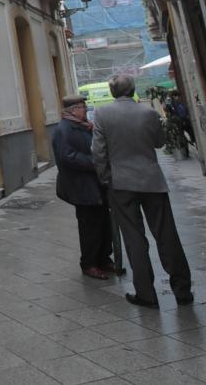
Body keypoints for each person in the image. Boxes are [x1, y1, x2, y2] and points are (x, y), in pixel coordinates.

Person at [91, 74, 194, 308]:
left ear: (112, 92)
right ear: (133, 89)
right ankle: (183, 290)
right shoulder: (148, 112)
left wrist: (107, 178)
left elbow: (98, 152)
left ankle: (146, 294)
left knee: (134, 237)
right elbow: (159, 142)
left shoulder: (103, 114)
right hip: (152, 181)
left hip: (121, 183)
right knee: (167, 235)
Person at [52, 95, 115, 280]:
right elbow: (67, 156)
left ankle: (104, 258)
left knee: (104, 223)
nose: (85, 109)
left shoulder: (84, 126)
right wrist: (95, 162)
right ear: (72, 110)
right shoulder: (63, 130)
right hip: (81, 186)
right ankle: (89, 263)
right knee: (90, 226)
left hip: (95, 184)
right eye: (82, 107)